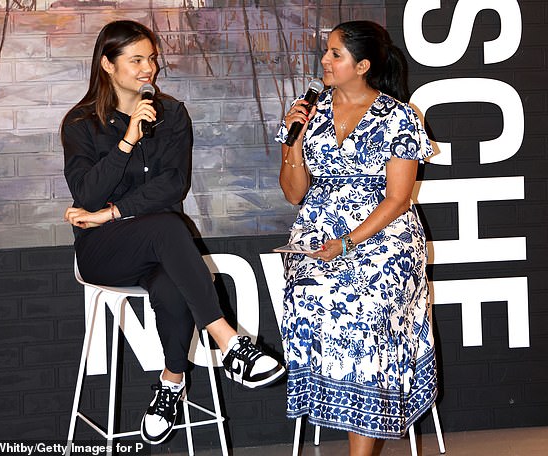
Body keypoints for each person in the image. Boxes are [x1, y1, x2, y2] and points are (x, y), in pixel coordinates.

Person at [61, 20, 285, 446]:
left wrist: (111, 213)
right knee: (167, 226)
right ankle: (229, 341)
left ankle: (171, 382)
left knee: (170, 282)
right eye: (137, 60)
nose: (150, 69)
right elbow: (85, 193)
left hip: (156, 245)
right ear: (108, 65)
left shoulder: (172, 114)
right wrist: (127, 141)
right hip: (104, 252)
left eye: (152, 59)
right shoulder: (80, 122)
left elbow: (172, 185)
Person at [276, 21, 438, 456]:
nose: (324, 62)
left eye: (335, 55)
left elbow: (399, 199)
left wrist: (347, 243)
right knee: (310, 294)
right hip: (317, 235)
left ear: (362, 66)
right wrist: (294, 141)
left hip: (384, 236)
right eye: (326, 52)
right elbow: (294, 193)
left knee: (363, 310)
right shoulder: (307, 111)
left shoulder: (399, 116)